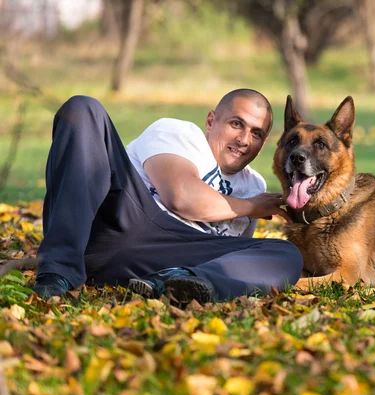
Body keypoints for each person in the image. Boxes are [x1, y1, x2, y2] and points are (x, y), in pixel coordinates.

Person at [32, 89, 303, 303]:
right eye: (236, 124)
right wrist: (250, 206)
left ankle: (178, 283)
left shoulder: (254, 185)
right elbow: (181, 197)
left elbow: (233, 255)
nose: (244, 139)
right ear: (211, 121)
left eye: (256, 133)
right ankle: (58, 271)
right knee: (83, 108)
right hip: (123, 218)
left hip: (171, 258)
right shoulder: (178, 133)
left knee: (285, 254)